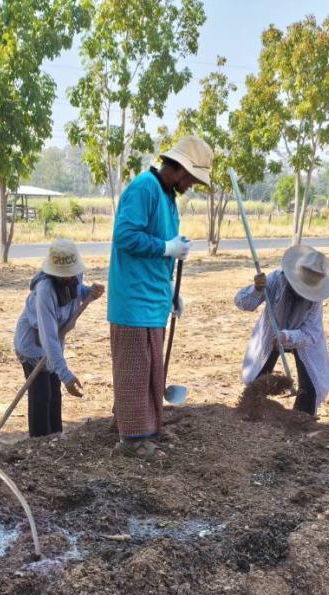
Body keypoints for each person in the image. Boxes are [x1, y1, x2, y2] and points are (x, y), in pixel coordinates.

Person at [107, 134, 212, 458]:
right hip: (134, 300)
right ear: (179, 168)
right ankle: (132, 440)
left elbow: (161, 251)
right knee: (134, 371)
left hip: (153, 300)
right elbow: (125, 236)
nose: (191, 185)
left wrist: (170, 293)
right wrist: (167, 247)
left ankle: (146, 429)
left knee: (151, 370)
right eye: (191, 179)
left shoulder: (167, 197)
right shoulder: (144, 188)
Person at [13, 238, 104, 437]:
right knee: (41, 396)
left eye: (71, 274)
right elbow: (48, 338)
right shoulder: (45, 290)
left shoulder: (75, 276)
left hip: (53, 342)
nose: (69, 278)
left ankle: (55, 439)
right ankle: (39, 443)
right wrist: (66, 375)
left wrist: (89, 292)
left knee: (54, 395)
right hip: (33, 345)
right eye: (63, 275)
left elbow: (75, 292)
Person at [236, 244, 329, 416]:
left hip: (303, 341)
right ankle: (252, 413)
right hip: (270, 335)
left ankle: (302, 418)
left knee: (310, 387)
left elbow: (310, 334)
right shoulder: (275, 280)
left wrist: (286, 337)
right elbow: (243, 303)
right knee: (257, 381)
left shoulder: (315, 299)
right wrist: (257, 289)